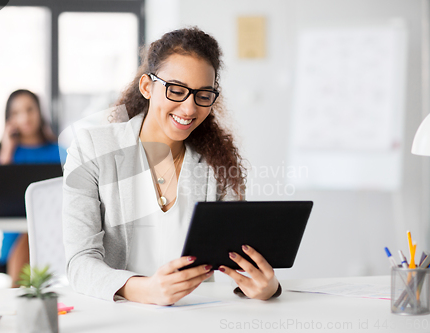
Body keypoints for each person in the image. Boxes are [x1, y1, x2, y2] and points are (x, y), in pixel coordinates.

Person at [62, 27, 281, 305]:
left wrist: (266, 286)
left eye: (203, 95)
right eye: (176, 90)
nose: (189, 109)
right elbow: (80, 263)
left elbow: (238, 258)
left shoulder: (218, 161)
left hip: (195, 314)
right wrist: (144, 290)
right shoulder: (92, 148)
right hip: (117, 313)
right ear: (146, 87)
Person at [0, 89, 66, 287]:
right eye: (17, 113)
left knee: (35, 231)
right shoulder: (2, 153)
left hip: (54, 235)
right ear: (9, 119)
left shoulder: (59, 151)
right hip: (14, 240)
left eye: (30, 110)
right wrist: (7, 151)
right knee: (29, 234)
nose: (25, 117)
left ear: (39, 112)